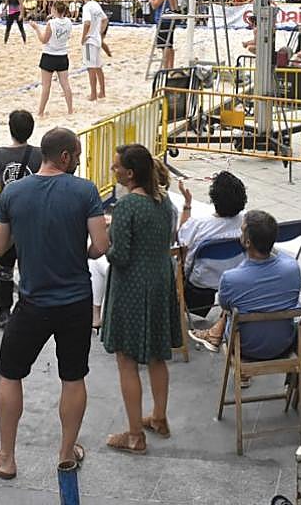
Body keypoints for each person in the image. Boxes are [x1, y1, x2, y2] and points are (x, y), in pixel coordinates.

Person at [0, 127, 108, 477]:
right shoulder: (85, 191)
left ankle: (6, 457)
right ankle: (66, 452)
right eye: (78, 157)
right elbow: (101, 244)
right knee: (73, 376)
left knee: (9, 374)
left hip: (33, 302)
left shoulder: (14, 192)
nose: (79, 162)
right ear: (65, 156)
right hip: (76, 302)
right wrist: (81, 251)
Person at [100, 144, 180, 454]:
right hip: (160, 281)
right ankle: (159, 417)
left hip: (133, 286)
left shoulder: (127, 207)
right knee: (158, 354)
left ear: (130, 173)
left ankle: (134, 434)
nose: (113, 170)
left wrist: (101, 247)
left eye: (117, 166)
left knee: (127, 359)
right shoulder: (164, 200)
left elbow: (119, 255)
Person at [193, 210, 301, 360]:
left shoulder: (231, 278)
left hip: (245, 347)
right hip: (283, 343)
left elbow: (225, 307)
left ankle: (214, 335)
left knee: (233, 306)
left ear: (247, 242)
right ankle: (214, 334)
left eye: (242, 230)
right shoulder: (292, 268)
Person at [0, 109, 42, 328]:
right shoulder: (39, 153)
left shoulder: (0, 154)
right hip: (34, 216)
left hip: (7, 217)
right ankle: (31, 305)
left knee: (3, 266)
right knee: (31, 263)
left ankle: (3, 311)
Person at [176, 171, 248, 315]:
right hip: (236, 278)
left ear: (214, 199)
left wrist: (187, 204)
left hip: (201, 283)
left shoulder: (199, 225)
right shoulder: (247, 224)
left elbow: (181, 239)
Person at [35, 0, 75, 117]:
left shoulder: (51, 23)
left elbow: (43, 40)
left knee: (46, 86)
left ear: (55, 10)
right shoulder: (68, 22)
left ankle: (40, 112)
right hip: (62, 56)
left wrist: (36, 28)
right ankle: (70, 110)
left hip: (49, 55)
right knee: (65, 85)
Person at [80, 0, 108, 101]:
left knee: (91, 68)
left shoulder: (86, 7)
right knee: (98, 67)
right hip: (96, 39)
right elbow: (105, 19)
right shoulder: (96, 4)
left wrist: (83, 37)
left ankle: (93, 94)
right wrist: (100, 33)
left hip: (90, 40)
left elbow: (87, 23)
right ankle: (102, 92)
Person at [150, 0, 177, 70]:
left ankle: (166, 68)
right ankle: (171, 67)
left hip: (163, 20)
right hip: (170, 19)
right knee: (169, 45)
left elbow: (154, 5)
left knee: (164, 46)